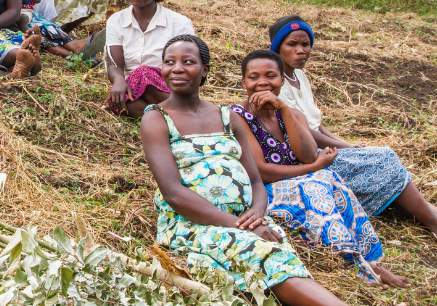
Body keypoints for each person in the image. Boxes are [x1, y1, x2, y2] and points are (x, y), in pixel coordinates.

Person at [140, 35, 347, 306]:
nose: (177, 68)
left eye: (188, 62)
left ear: (205, 70)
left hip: (246, 219)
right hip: (191, 224)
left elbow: (255, 179)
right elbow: (174, 193)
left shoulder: (228, 116)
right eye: (169, 62)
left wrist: (257, 214)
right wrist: (243, 227)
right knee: (267, 256)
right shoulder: (156, 118)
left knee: (277, 254)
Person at [231, 50, 409, 287]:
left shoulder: (291, 113)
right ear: (244, 82)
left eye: (271, 76)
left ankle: (371, 262)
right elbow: (263, 172)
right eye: (254, 77)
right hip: (266, 195)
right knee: (316, 181)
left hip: (301, 186)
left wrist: (283, 110)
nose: (262, 82)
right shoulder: (237, 116)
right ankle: (353, 264)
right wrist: (314, 167)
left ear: (282, 80)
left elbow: (306, 155)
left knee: (329, 177)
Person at [270, 15, 437, 233]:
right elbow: (305, 132)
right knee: (385, 158)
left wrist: (342, 141)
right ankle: (432, 220)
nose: (301, 50)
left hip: (322, 145)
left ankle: (425, 211)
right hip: (309, 154)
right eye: (292, 44)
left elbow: (316, 122)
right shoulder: (277, 84)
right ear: (277, 48)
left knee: (379, 159)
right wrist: (344, 147)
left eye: (305, 44)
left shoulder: (299, 76)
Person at [105, 0, 194, 118]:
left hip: (169, 89)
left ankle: (180, 114)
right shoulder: (116, 21)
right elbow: (114, 63)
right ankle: (171, 120)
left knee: (143, 73)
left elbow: (187, 68)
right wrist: (118, 80)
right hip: (131, 89)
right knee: (119, 101)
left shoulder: (179, 23)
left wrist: (146, 77)